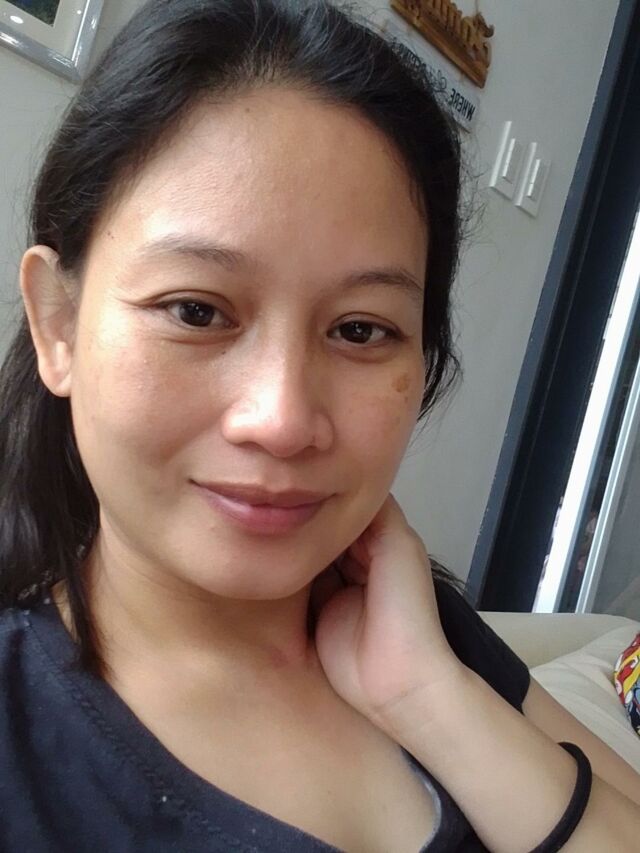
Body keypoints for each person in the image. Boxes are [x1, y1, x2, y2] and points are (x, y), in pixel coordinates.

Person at [0, 1, 638, 850]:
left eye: (360, 329)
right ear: (58, 323)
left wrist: (429, 697)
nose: (283, 420)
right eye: (196, 310)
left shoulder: (416, 624)